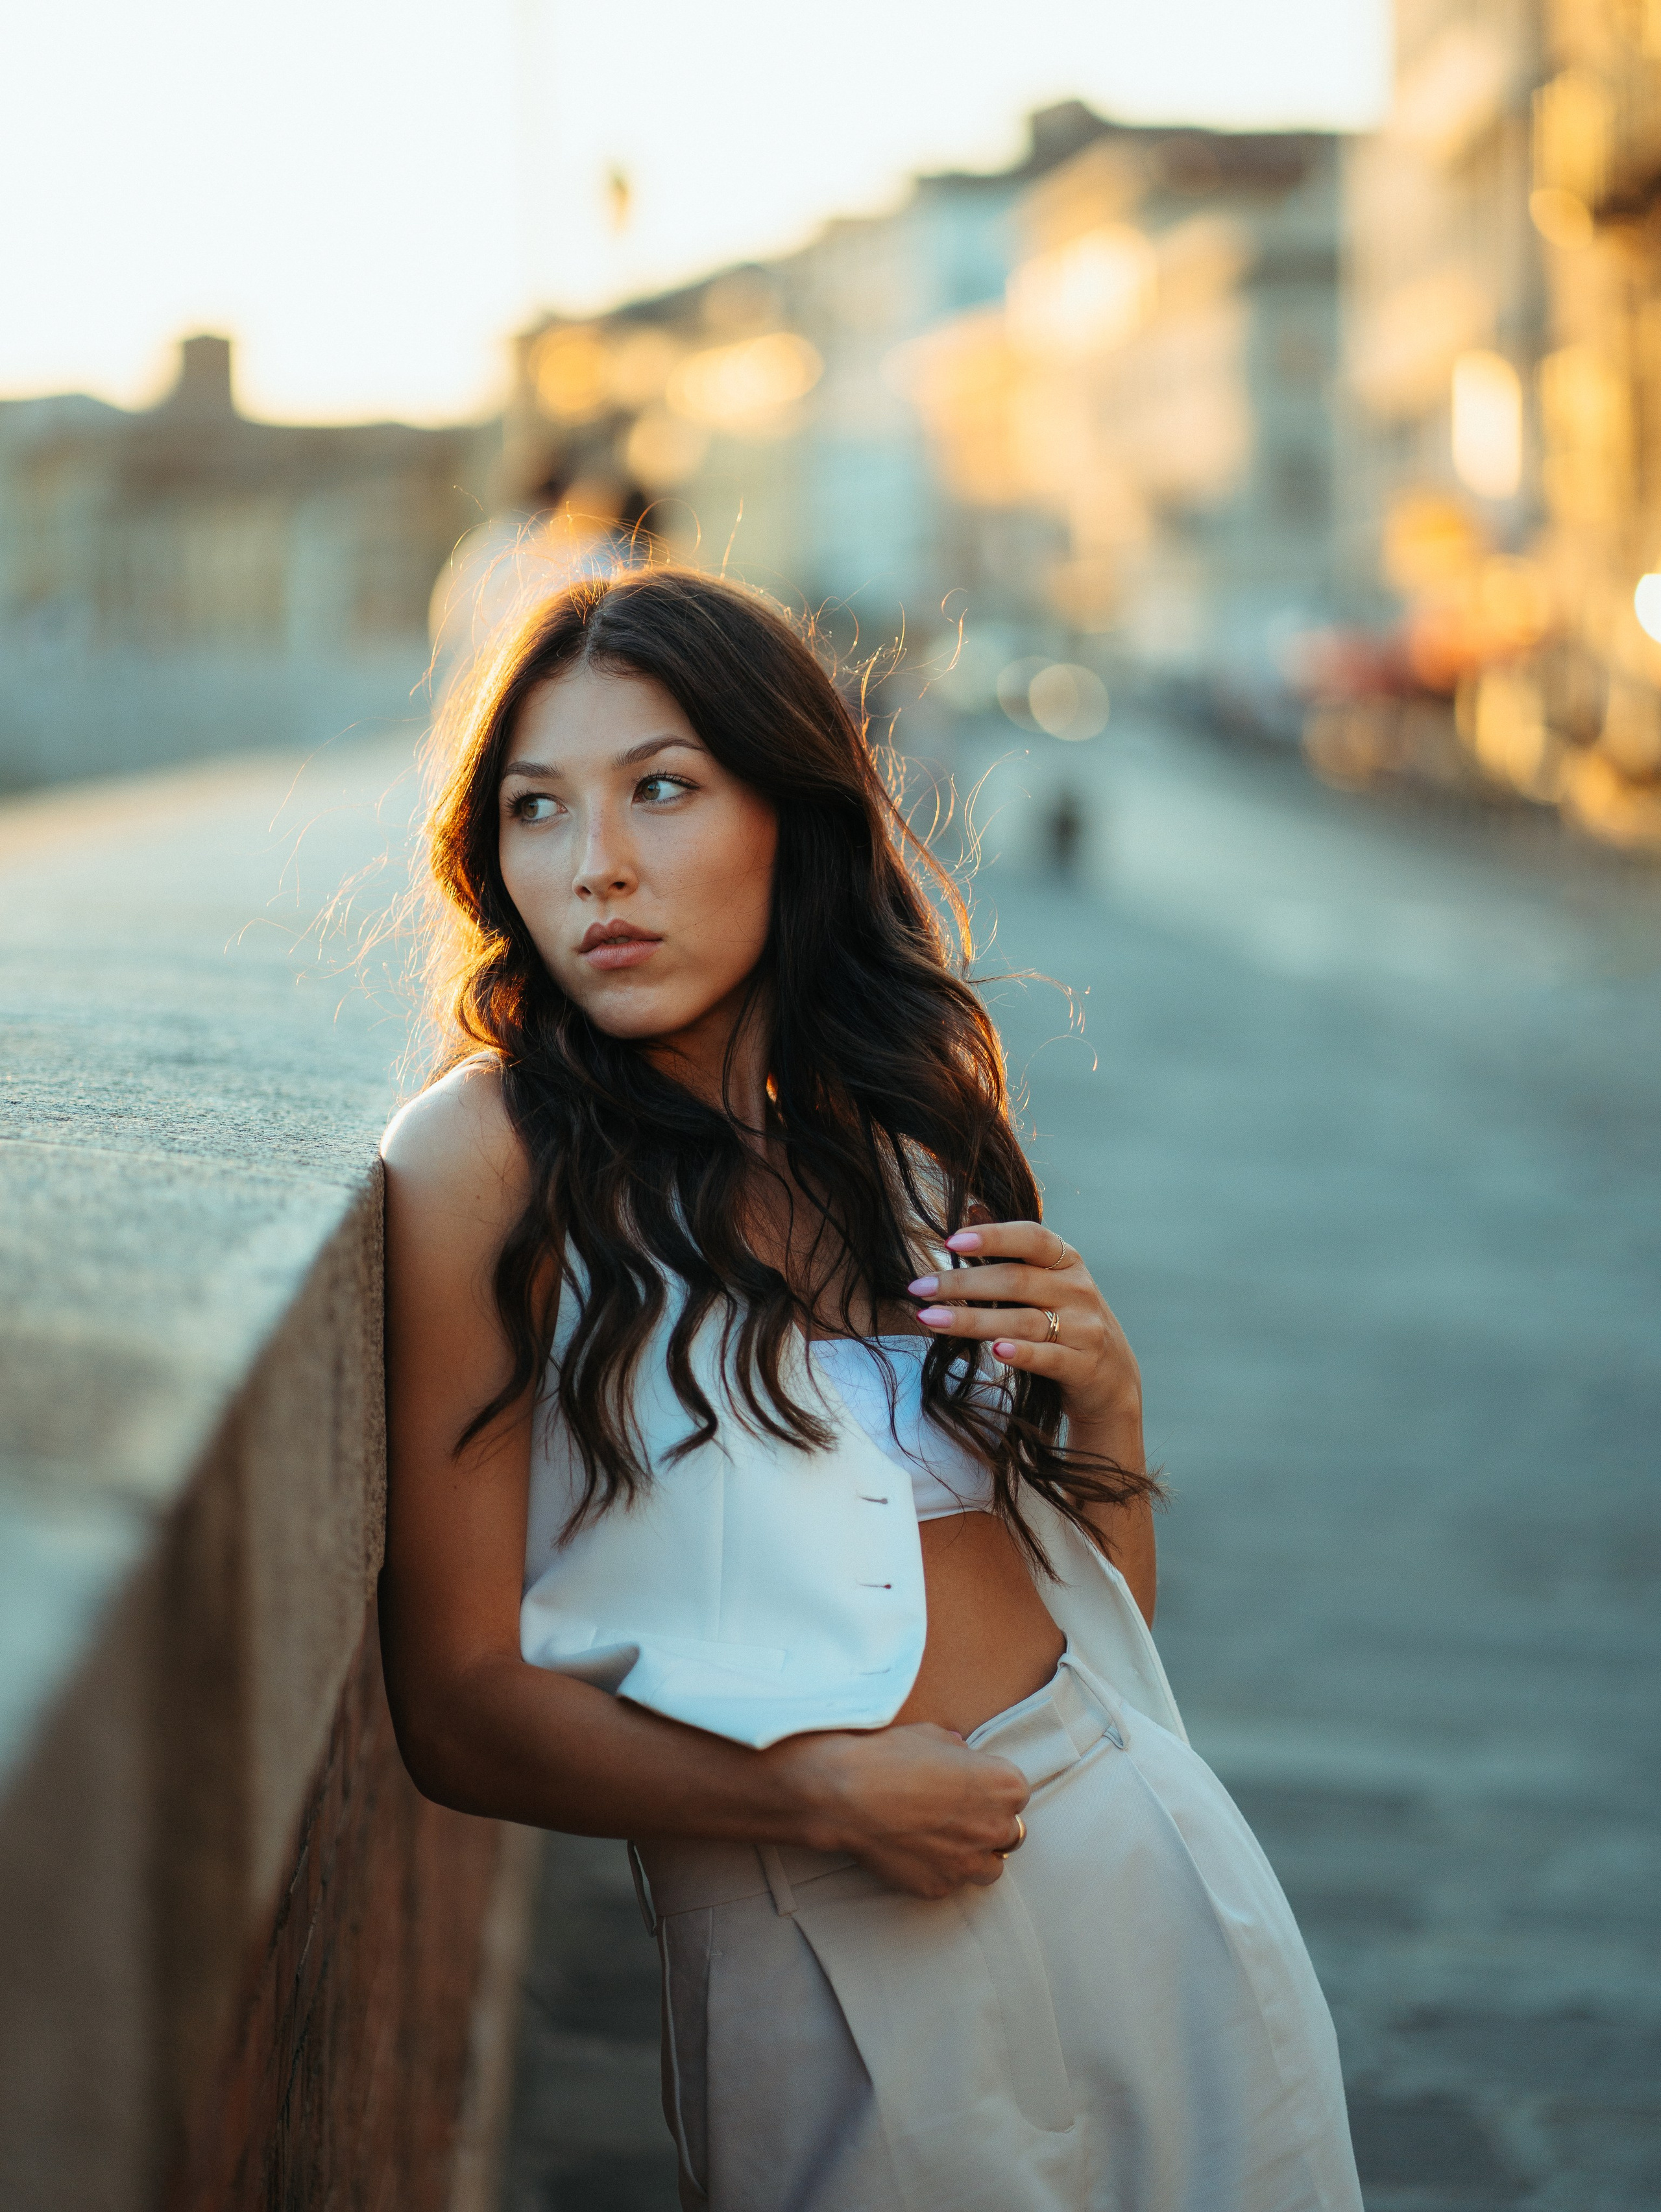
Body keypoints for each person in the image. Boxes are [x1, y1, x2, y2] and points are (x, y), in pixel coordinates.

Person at [379, 566, 1363, 2212]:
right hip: (814, 1928)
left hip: (1139, 1865)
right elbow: (456, 1699)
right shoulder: (485, 1159)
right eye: (536, 810)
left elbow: (1093, 1622)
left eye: (660, 790)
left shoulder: (895, 1137)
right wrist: (809, 1791)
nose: (593, 866)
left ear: (795, 813)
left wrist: (1106, 1410)